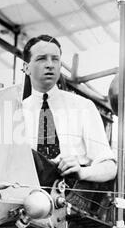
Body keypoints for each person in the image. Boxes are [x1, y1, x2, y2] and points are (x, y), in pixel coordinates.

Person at [21, 35, 117, 186]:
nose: (50, 65)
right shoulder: (17, 112)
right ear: (26, 68)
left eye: (55, 59)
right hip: (27, 195)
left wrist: (82, 171)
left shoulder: (83, 107)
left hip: (71, 196)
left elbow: (110, 167)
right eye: (41, 59)